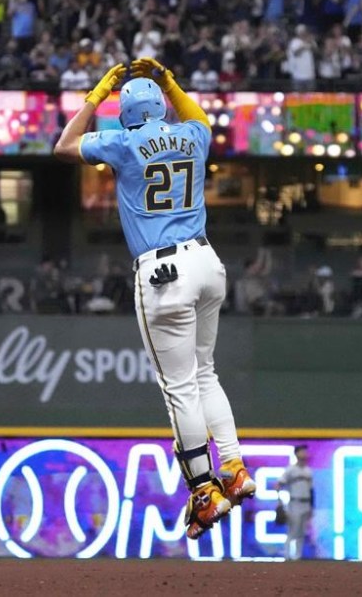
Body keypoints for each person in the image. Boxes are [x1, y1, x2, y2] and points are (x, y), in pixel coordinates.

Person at [53, 57, 256, 540]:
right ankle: (235, 467)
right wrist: (171, 78)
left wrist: (97, 94)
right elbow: (200, 119)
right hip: (208, 261)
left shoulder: (124, 141)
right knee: (206, 374)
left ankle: (205, 491)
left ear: (127, 111)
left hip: (164, 271)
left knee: (180, 387)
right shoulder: (192, 135)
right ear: (163, 104)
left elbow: (62, 147)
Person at [278, 444, 313, 561]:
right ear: (296, 453)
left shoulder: (308, 470)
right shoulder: (291, 469)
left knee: (302, 532)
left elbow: (311, 490)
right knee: (293, 530)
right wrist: (279, 501)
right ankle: (287, 556)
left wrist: (312, 506)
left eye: (305, 452)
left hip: (306, 503)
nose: (305, 454)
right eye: (302, 451)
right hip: (295, 502)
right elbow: (279, 484)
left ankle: (297, 556)